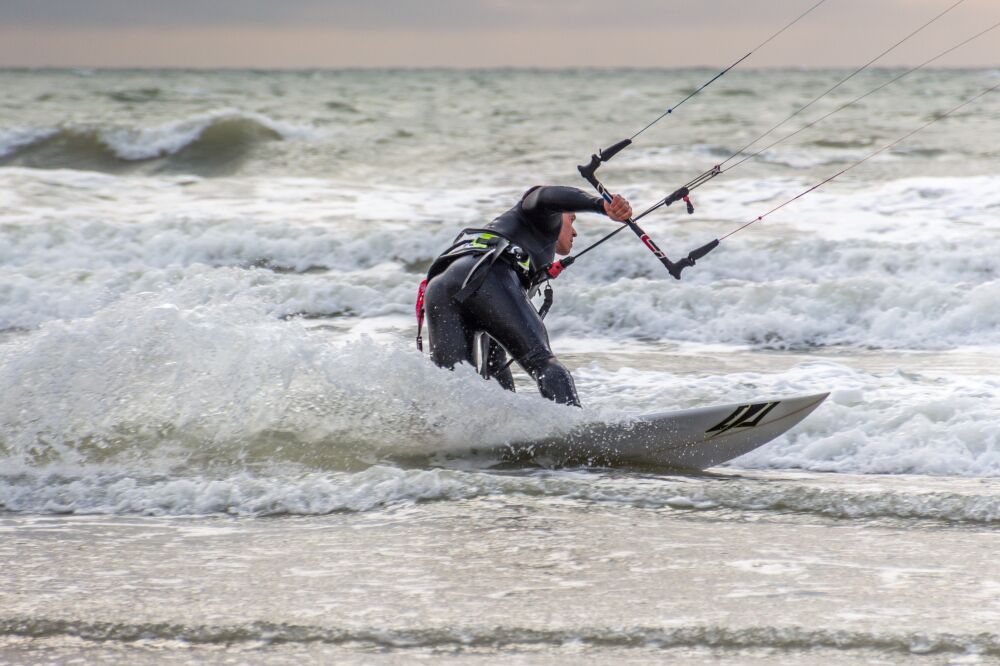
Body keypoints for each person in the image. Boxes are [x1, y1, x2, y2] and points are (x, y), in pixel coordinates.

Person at [419, 185, 632, 407]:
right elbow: (543, 196)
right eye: (572, 220)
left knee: (455, 390)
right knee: (543, 362)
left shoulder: (511, 237)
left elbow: (494, 366)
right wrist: (600, 206)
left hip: (440, 290)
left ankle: (470, 437)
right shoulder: (538, 214)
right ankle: (578, 435)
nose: (575, 232)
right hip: (486, 276)